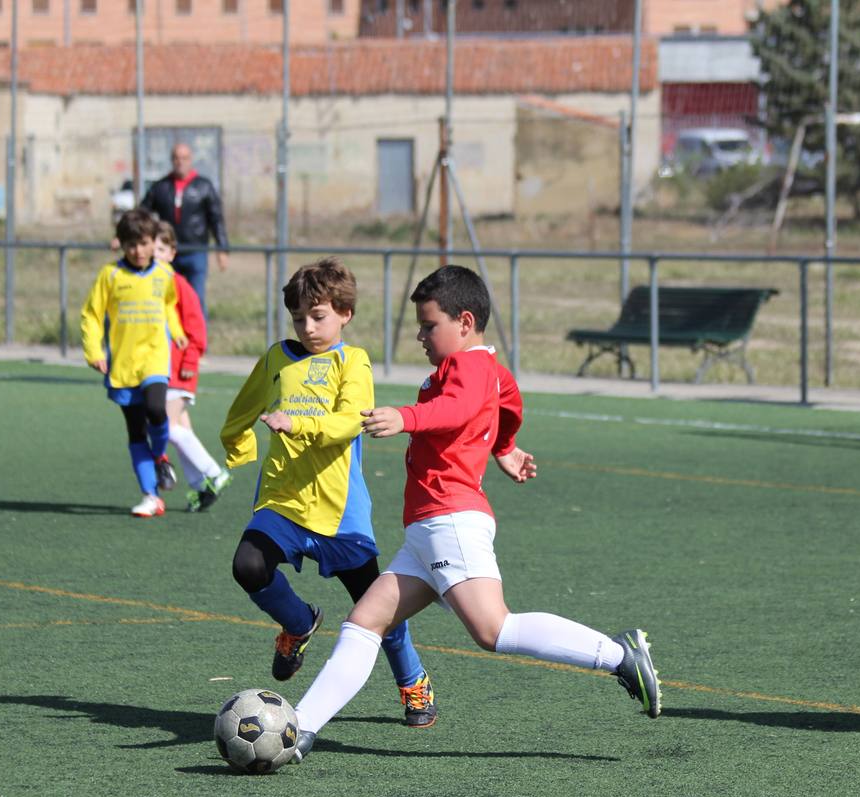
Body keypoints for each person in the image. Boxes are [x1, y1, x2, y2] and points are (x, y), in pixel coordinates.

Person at [287, 264, 662, 762]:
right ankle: (300, 727)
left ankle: (618, 656)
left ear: (465, 322)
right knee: (364, 622)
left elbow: (459, 409)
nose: (420, 336)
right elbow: (508, 396)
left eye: (428, 325)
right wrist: (504, 446)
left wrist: (406, 418)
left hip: (450, 520)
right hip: (428, 530)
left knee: (494, 630)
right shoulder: (483, 365)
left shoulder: (468, 367)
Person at [219, 257, 439, 728]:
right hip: (282, 500)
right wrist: (238, 446)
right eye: (299, 317)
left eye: (317, 316)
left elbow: (348, 422)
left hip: (339, 513)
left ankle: (413, 681)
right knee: (247, 565)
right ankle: (298, 623)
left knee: (377, 609)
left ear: (345, 314)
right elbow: (243, 408)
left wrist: (296, 423)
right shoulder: (278, 357)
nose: (307, 326)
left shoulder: (351, 361)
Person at [81, 209, 187, 518]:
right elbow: (91, 314)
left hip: (154, 358)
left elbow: (168, 305)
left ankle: (160, 456)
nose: (138, 251)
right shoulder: (111, 275)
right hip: (123, 365)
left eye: (143, 243)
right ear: (122, 245)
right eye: (131, 245)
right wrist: (93, 351)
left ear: (154, 242)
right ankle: (150, 495)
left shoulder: (164, 275)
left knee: (156, 409)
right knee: (135, 430)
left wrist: (177, 331)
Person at [153, 222, 232, 513]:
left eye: (161, 249)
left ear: (172, 253)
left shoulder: (178, 285)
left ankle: (214, 473)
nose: (154, 255)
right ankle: (201, 486)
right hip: (162, 369)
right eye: (151, 249)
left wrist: (188, 362)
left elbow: (196, 329)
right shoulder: (150, 286)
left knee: (166, 427)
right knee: (179, 429)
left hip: (179, 370)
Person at [141, 142, 228, 319]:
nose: (180, 162)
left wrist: (222, 248)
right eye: (176, 158)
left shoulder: (204, 186)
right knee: (168, 299)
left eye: (184, 158)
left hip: (196, 252)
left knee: (195, 299)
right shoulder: (161, 187)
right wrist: (124, 236)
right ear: (172, 160)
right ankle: (171, 341)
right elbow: (142, 213)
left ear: (191, 159)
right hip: (167, 254)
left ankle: (198, 342)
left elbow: (216, 218)